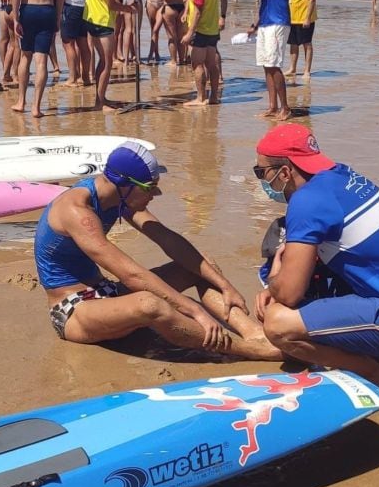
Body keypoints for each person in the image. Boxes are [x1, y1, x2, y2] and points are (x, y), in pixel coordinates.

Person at [34, 140, 282, 362]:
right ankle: (251, 351)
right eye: (150, 187)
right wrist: (193, 309)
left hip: (106, 292)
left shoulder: (119, 197)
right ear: (126, 184)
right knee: (149, 303)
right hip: (73, 312)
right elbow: (132, 276)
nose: (156, 194)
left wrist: (224, 285)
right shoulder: (77, 212)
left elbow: (169, 240)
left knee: (201, 265)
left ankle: (256, 334)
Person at [251, 123, 379, 389]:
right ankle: (371, 358)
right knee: (302, 289)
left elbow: (288, 293)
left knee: (277, 323)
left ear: (285, 172)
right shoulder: (341, 178)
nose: (263, 182)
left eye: (261, 172)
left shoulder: (307, 201)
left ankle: (375, 375)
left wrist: (276, 276)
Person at [208, 0, 292, 121]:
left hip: (278, 21)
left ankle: (285, 108)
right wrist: (256, 23)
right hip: (267, 20)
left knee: (273, 65)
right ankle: (273, 106)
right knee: (266, 64)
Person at [10, 0, 64, 117]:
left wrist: (16, 16)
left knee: (25, 56)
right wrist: (57, 17)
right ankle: (36, 108)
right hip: (47, 8)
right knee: (42, 60)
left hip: (28, 8)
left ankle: (21, 101)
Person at [83, 0, 137, 111]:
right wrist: (130, 9)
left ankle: (101, 98)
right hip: (103, 21)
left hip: (91, 17)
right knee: (107, 63)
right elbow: (112, 4)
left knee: (102, 61)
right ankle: (99, 103)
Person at [179, 0, 220, 106]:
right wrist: (185, 12)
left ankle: (201, 98)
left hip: (200, 30)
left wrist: (190, 33)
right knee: (211, 64)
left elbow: (197, 11)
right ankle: (214, 97)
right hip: (212, 29)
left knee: (197, 64)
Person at [284, 0, 317, 80]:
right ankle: (292, 68)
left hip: (305, 16)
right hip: (292, 16)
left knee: (306, 43)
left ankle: (307, 70)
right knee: (293, 43)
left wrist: (307, 18)